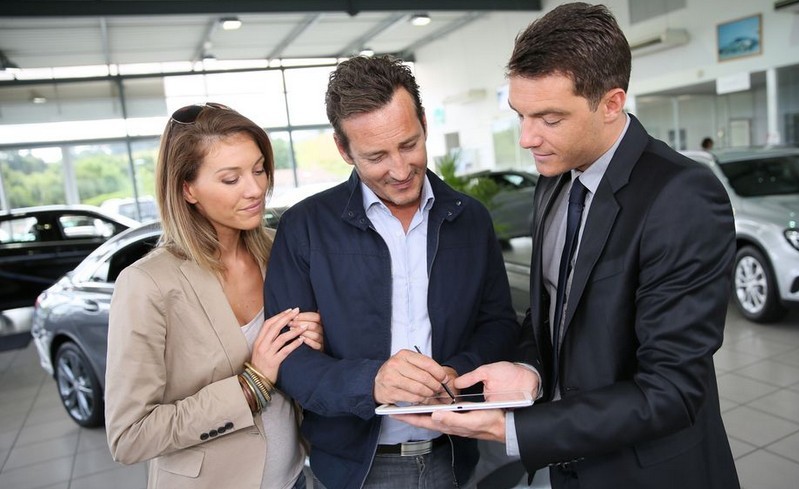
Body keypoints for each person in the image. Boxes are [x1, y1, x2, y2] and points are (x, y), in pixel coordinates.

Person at [396, 4, 741, 488]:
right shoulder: (554, 181)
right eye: (520, 115)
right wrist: (529, 372)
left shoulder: (682, 196)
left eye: (549, 118)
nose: (526, 137)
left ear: (611, 103)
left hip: (647, 473)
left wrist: (512, 427)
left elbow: (672, 391)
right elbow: (554, 318)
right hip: (567, 468)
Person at [264, 55, 519, 489]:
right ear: (344, 150)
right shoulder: (304, 227)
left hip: (455, 457)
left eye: (408, 144)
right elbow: (289, 362)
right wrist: (373, 382)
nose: (400, 171)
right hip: (353, 471)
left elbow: (497, 324)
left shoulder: (471, 219)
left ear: (423, 122)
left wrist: (457, 372)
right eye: (377, 156)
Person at [105, 103, 324, 489]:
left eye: (258, 170)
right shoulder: (146, 284)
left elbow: (303, 370)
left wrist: (315, 344)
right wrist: (250, 386)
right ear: (187, 189)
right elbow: (129, 436)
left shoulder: (281, 252)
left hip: (294, 478)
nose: (256, 188)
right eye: (230, 179)